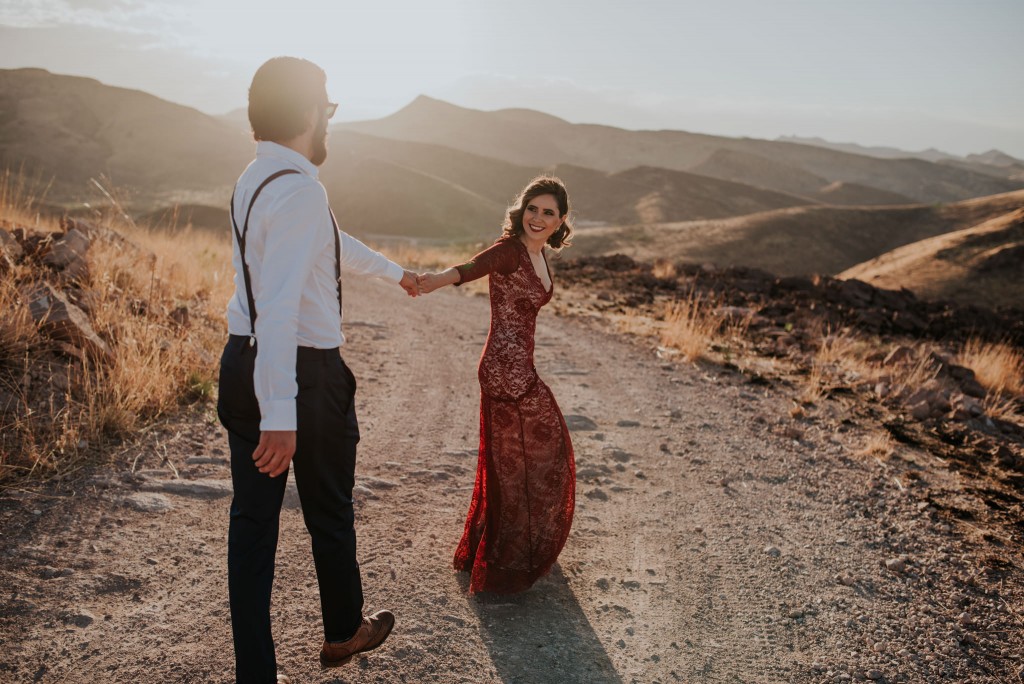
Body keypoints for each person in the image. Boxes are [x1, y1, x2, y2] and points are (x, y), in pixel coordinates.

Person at [217, 56, 417, 684]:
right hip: (300, 374)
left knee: (252, 528)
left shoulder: (256, 177)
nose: (329, 121)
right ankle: (341, 630)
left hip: (242, 358)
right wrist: (282, 413)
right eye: (327, 109)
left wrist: (399, 274)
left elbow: (327, 242)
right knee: (328, 506)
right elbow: (279, 307)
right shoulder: (302, 188)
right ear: (308, 113)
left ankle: (260, 671)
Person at [418, 176, 576, 593]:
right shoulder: (509, 251)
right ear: (521, 210)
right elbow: (471, 268)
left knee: (529, 456)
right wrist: (434, 280)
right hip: (503, 371)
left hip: (522, 368)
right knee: (514, 463)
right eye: (532, 208)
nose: (538, 217)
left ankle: (507, 545)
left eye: (548, 212)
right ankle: (502, 557)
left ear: (560, 221)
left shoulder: (541, 257)